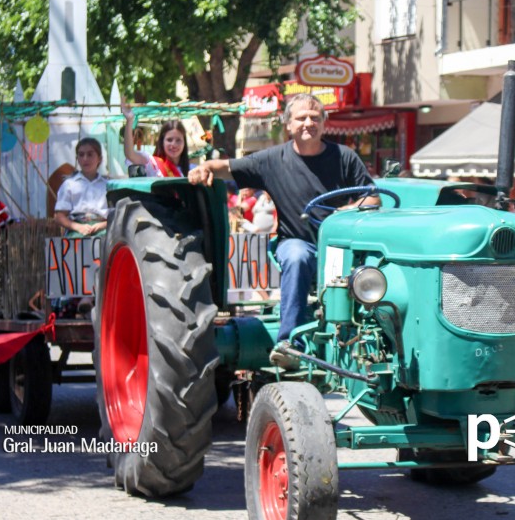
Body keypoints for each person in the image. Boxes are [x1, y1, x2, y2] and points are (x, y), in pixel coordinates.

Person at [188, 93, 379, 367]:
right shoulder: (272, 160)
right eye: (301, 117)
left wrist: (344, 212)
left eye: (315, 117)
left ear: (324, 123)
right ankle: (289, 344)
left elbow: (372, 198)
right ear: (288, 124)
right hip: (297, 241)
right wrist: (205, 167)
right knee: (298, 256)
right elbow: (228, 168)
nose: (308, 123)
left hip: (340, 246)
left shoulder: (344, 157)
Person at [54, 137, 109, 236]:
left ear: (99, 158)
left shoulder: (108, 185)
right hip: (76, 230)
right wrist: (78, 227)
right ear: (77, 159)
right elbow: (59, 216)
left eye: (90, 154)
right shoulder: (69, 185)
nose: (85, 159)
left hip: (104, 230)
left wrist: (102, 225)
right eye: (81, 154)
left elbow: (117, 215)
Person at [121, 97, 189, 177]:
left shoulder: (192, 169)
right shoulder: (153, 164)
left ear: (184, 143)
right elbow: (130, 154)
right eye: (169, 140)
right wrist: (129, 120)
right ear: (162, 141)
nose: (174, 144)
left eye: (178, 140)